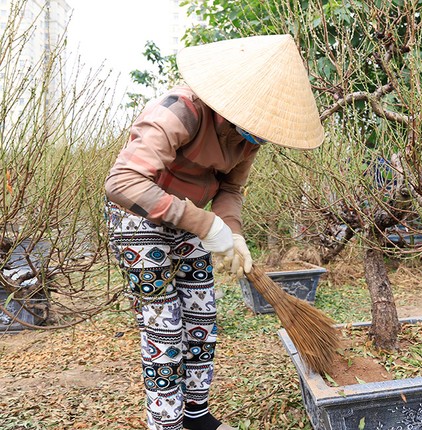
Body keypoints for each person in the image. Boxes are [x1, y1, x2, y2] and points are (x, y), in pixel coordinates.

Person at [105, 34, 324, 430]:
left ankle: (196, 416)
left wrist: (233, 233)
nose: (257, 138)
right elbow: (123, 182)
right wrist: (207, 224)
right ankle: (166, 424)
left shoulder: (249, 137)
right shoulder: (179, 110)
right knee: (165, 327)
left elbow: (231, 189)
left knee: (202, 318)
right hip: (139, 217)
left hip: (188, 218)